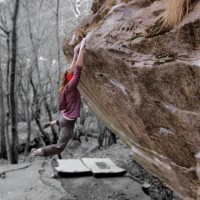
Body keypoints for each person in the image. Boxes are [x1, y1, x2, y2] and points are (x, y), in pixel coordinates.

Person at [31, 38, 86, 158]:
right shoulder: (71, 85)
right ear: (69, 77)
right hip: (66, 120)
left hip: (64, 119)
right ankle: (38, 152)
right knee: (59, 147)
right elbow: (77, 69)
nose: (71, 73)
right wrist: (82, 48)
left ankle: (39, 150)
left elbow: (72, 69)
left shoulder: (65, 86)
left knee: (61, 144)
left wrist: (76, 53)